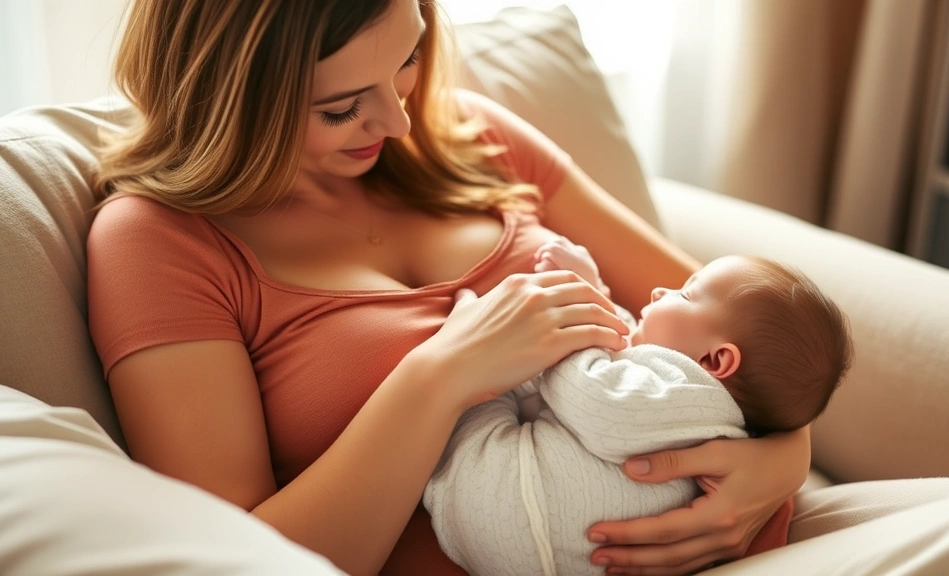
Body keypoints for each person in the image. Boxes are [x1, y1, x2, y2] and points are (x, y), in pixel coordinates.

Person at [85, 1, 813, 575]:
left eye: (407, 58)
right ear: (228, 96)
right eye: (340, 107)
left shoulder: (469, 136)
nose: (398, 119)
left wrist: (785, 459)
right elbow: (237, 560)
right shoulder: (157, 243)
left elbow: (741, 326)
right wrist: (441, 376)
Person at [424, 241, 852, 576]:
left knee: (487, 394)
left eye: (684, 294)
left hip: (514, 508)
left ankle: (468, 327)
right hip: (538, 532)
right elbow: (623, 348)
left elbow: (599, 398)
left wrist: (581, 306)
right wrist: (595, 293)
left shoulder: (689, 397)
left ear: (715, 361)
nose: (660, 289)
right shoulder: (692, 398)